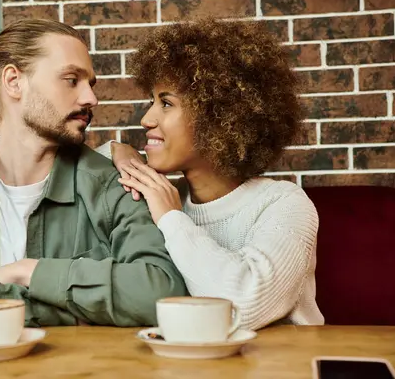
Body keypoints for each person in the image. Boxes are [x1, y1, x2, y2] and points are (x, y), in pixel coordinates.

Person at [0, 19, 187, 334]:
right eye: (71, 80)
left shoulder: (118, 187)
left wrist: (25, 272)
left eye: (90, 84)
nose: (91, 98)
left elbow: (159, 292)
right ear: (14, 81)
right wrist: (64, 311)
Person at [102, 17, 324, 330]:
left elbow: (242, 306)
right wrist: (116, 150)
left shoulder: (284, 204)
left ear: (219, 116)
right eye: (151, 101)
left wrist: (171, 219)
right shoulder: (164, 195)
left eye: (166, 103)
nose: (146, 119)